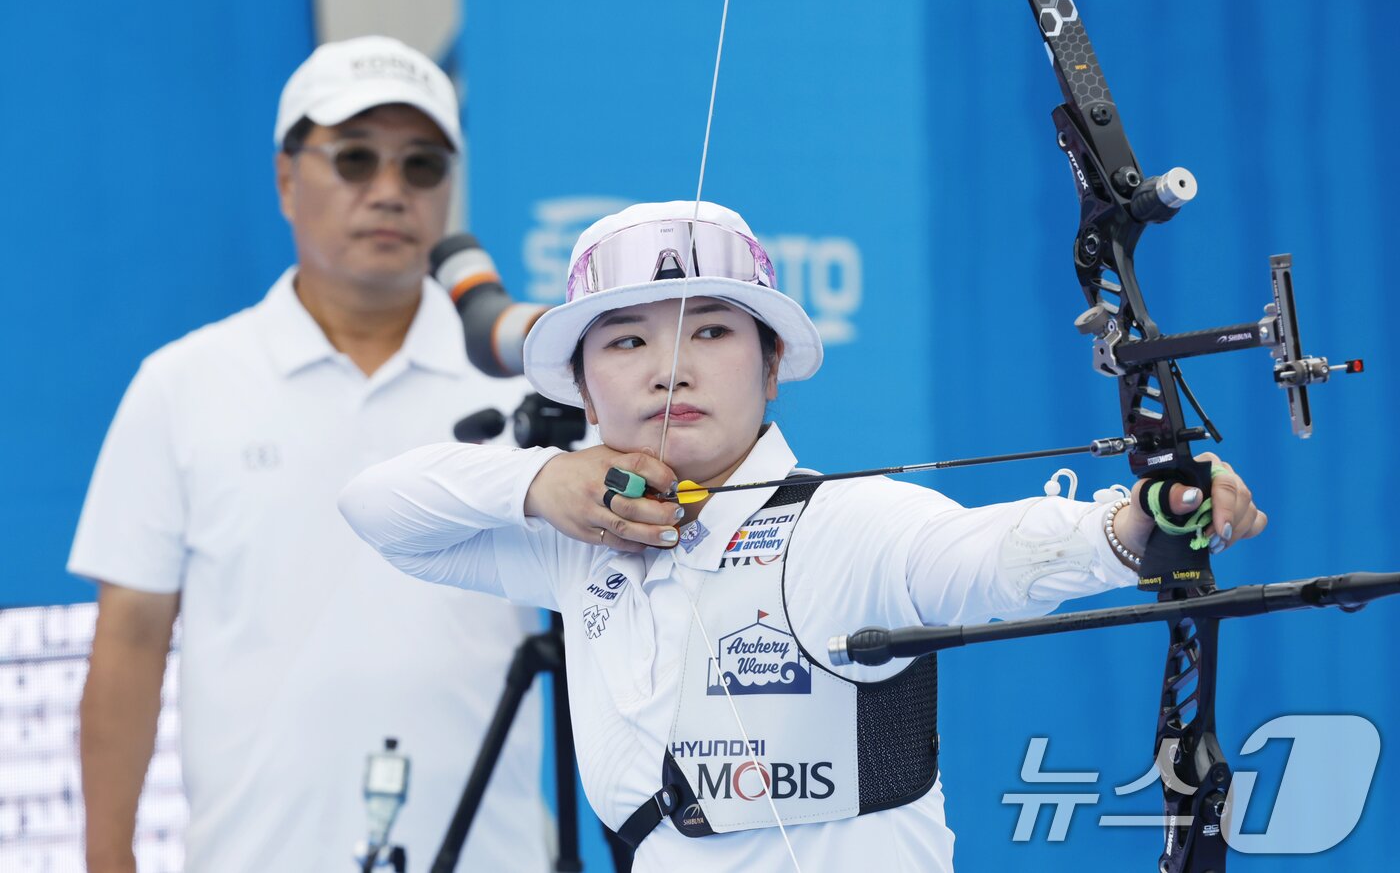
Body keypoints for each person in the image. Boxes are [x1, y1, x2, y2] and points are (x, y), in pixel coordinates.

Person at [338, 200, 1266, 872]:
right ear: (581, 390)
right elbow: (378, 508)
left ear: (771, 365)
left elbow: (981, 556)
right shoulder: (580, 536)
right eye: (624, 343)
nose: (669, 368)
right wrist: (543, 482)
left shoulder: (845, 528)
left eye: (710, 332)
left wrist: (1142, 522)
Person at [71, 36, 551, 872]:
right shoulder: (182, 384)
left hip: (492, 855)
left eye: (423, 166)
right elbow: (132, 641)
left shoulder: (528, 388)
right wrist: (107, 859)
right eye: (355, 159)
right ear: (286, 178)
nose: (390, 192)